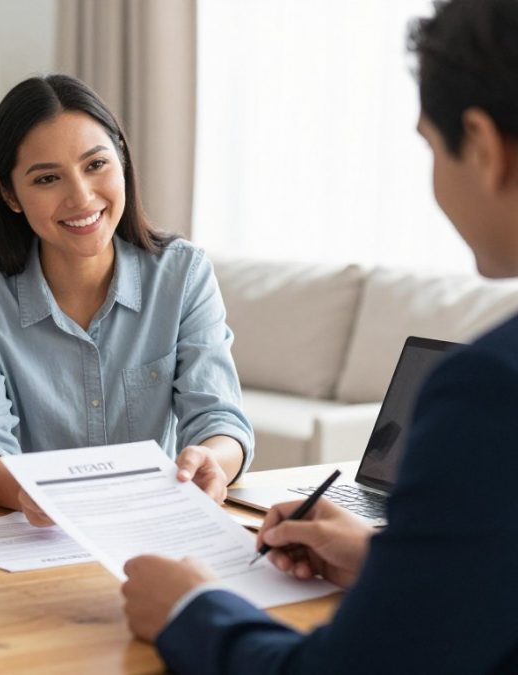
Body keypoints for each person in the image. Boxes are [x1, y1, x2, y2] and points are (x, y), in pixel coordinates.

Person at [121, 1, 518, 672]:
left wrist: (191, 607)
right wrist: (390, 562)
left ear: (481, 144)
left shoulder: (490, 392)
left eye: (428, 146)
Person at [0, 74, 254, 522]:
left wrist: (211, 463)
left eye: (95, 165)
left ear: (121, 159)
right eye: (47, 178)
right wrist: (36, 493)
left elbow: (220, 420)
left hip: (155, 526)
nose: (81, 197)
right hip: (38, 540)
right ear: (9, 194)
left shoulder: (183, 274)